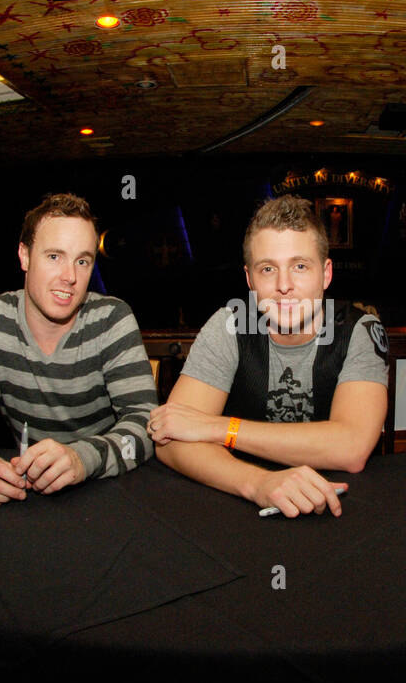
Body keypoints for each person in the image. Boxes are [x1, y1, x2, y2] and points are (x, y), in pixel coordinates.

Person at [150, 196, 388, 518]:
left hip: (338, 508)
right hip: (237, 504)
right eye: (268, 269)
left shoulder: (358, 329)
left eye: (300, 266)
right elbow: (170, 440)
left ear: (326, 273)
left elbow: (352, 448)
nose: (284, 285)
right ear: (250, 280)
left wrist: (218, 428)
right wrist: (258, 484)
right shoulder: (229, 325)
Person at [0, 193, 155, 506]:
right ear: (24, 256)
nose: (70, 277)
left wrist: (82, 459)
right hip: (25, 493)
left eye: (82, 261)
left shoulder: (112, 319)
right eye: (54, 256)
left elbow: (144, 423)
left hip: (105, 493)